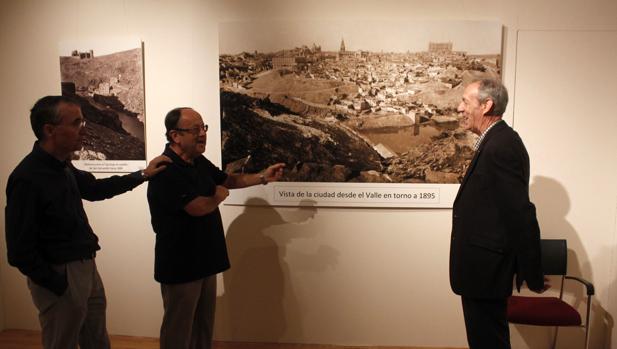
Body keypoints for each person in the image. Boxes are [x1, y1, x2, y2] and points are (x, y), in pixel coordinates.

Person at [5, 95, 170, 349]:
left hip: (85, 267)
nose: (85, 129)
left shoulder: (63, 167)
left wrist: (143, 174)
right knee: (62, 342)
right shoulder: (27, 177)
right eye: (76, 123)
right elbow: (19, 250)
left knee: (96, 340)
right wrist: (56, 283)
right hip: (61, 273)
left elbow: (95, 189)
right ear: (50, 130)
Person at [146, 107, 285, 349]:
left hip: (205, 259)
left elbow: (227, 180)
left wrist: (263, 177)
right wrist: (219, 197)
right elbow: (197, 207)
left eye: (203, 128)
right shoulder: (165, 169)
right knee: (178, 329)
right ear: (175, 136)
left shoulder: (197, 161)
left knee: (203, 327)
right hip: (181, 264)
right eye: (195, 129)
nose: (202, 134)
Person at [449, 79, 547, 349]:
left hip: (486, 270)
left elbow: (520, 213)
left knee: (489, 342)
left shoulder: (501, 145)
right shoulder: (495, 140)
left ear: (487, 105)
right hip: (482, 268)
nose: (459, 108)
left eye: (465, 102)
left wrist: (532, 271)